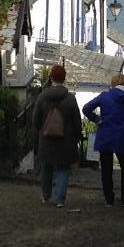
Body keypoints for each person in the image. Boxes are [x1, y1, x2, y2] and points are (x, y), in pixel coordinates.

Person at [83, 72, 124, 208]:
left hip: (105, 135)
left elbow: (86, 108)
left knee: (106, 169)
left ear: (112, 84)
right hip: (122, 135)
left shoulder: (104, 96)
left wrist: (97, 119)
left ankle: (109, 199)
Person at [31, 64, 83, 209]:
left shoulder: (42, 96)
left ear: (51, 77)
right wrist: (76, 137)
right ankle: (59, 198)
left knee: (46, 167)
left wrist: (41, 131)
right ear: (64, 78)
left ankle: (45, 196)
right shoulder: (70, 98)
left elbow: (35, 119)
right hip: (65, 140)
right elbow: (77, 122)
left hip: (46, 138)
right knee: (63, 169)